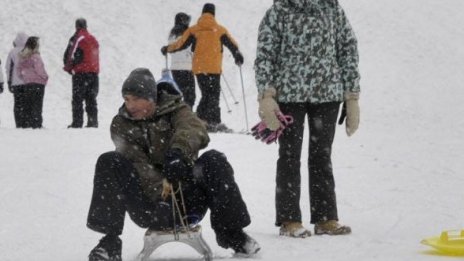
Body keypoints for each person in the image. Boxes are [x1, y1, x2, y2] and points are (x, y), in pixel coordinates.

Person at [86, 68, 260, 261]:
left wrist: (179, 152)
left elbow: (194, 129)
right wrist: (162, 196)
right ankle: (109, 244)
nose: (130, 105)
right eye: (127, 99)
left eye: (136, 99)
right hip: (149, 206)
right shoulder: (121, 124)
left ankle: (233, 235)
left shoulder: (177, 110)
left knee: (214, 160)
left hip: (188, 200)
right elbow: (138, 164)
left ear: (151, 98)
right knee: (109, 161)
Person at [254, 0, 360, 237]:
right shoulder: (279, 11)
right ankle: (289, 219)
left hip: (328, 95)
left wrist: (351, 96)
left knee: (321, 155)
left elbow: (347, 47)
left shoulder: (332, 8)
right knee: (289, 155)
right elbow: (265, 54)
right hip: (289, 95)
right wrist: (266, 95)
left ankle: (325, 218)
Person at [161, 3, 244, 133]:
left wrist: (168, 49)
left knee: (207, 93)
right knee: (213, 94)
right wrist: (237, 54)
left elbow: (181, 44)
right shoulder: (220, 30)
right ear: (213, 14)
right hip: (214, 68)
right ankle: (211, 121)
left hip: (199, 68)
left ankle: (202, 120)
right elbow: (231, 43)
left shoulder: (194, 29)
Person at [63, 18, 100, 128]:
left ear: (76, 26)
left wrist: (69, 68)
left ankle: (77, 122)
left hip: (81, 73)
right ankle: (93, 122)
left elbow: (70, 54)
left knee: (77, 99)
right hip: (93, 73)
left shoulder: (77, 38)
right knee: (91, 98)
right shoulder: (93, 39)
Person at [16, 36, 48, 129]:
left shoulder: (22, 56)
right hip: (38, 83)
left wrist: (24, 77)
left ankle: (27, 123)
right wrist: (45, 77)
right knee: (37, 104)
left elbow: (18, 70)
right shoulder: (36, 56)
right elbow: (39, 69)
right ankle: (36, 124)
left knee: (28, 104)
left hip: (28, 83)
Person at [166, 12, 196, 108]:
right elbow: (192, 49)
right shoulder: (188, 34)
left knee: (180, 93)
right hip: (186, 68)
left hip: (175, 68)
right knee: (190, 96)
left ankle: (179, 114)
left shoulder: (172, 34)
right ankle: (187, 116)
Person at [6, 32, 29, 128]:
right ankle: (26, 123)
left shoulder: (12, 52)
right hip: (28, 83)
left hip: (16, 83)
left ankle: (19, 123)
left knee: (18, 104)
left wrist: (9, 82)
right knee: (27, 103)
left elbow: (8, 68)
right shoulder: (29, 51)